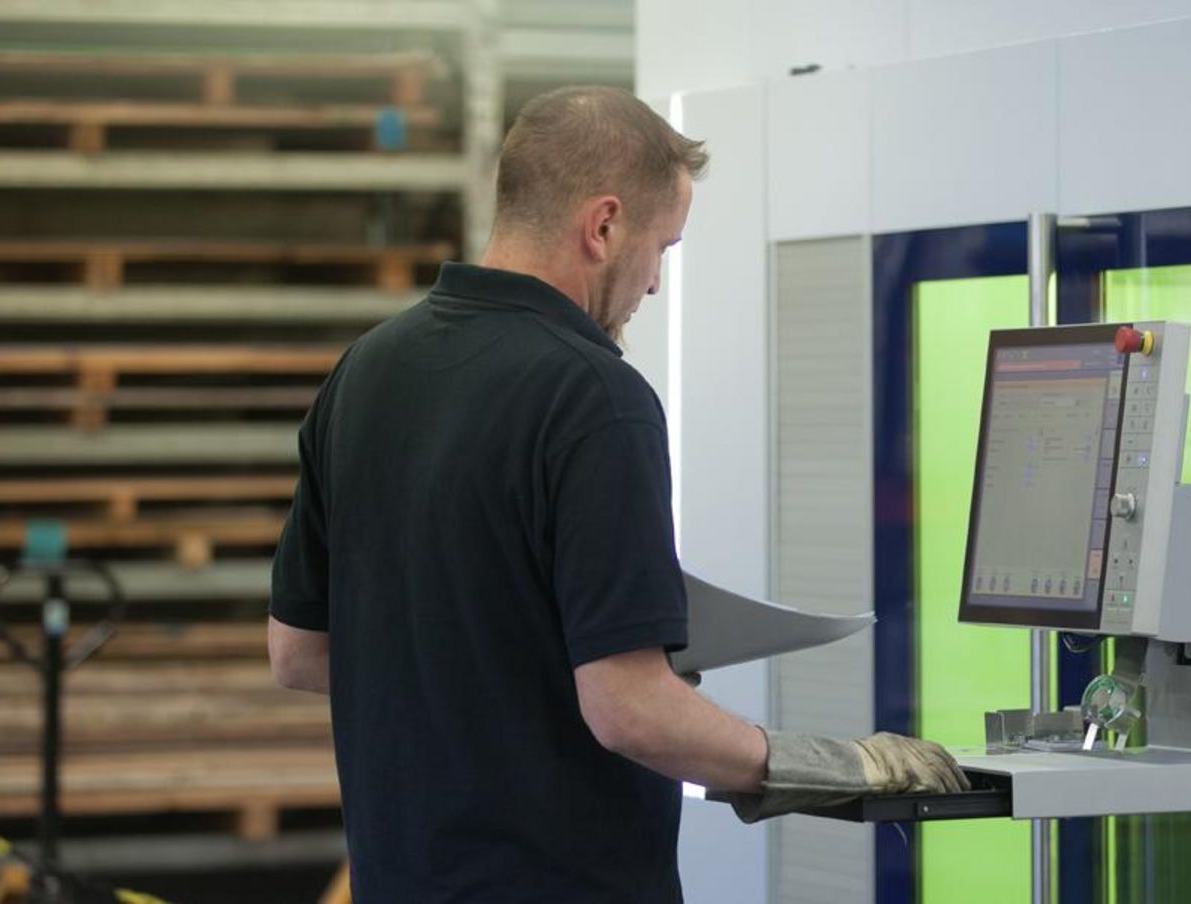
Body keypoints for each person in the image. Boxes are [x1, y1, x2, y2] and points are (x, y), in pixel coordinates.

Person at [266, 86, 967, 903]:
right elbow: (629, 711)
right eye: (662, 247)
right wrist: (838, 767)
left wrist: (499, 673)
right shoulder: (594, 397)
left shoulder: (366, 372)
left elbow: (300, 651)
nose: (657, 284)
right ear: (602, 226)